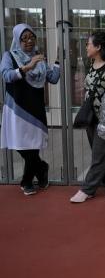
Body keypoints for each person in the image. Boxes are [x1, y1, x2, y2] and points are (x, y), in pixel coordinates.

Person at [0, 23, 60, 195]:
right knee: (20, 145)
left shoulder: (39, 58)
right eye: (24, 38)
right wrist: (27, 67)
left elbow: (53, 78)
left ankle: (26, 181)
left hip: (35, 109)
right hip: (16, 109)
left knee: (32, 147)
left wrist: (58, 61)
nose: (29, 41)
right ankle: (42, 168)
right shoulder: (9, 56)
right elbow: (6, 75)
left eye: (32, 37)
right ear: (17, 40)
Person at [70, 32, 105, 203]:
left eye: (88, 44)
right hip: (90, 117)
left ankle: (87, 189)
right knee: (100, 153)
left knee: (98, 156)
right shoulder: (92, 63)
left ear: (98, 47)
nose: (86, 47)